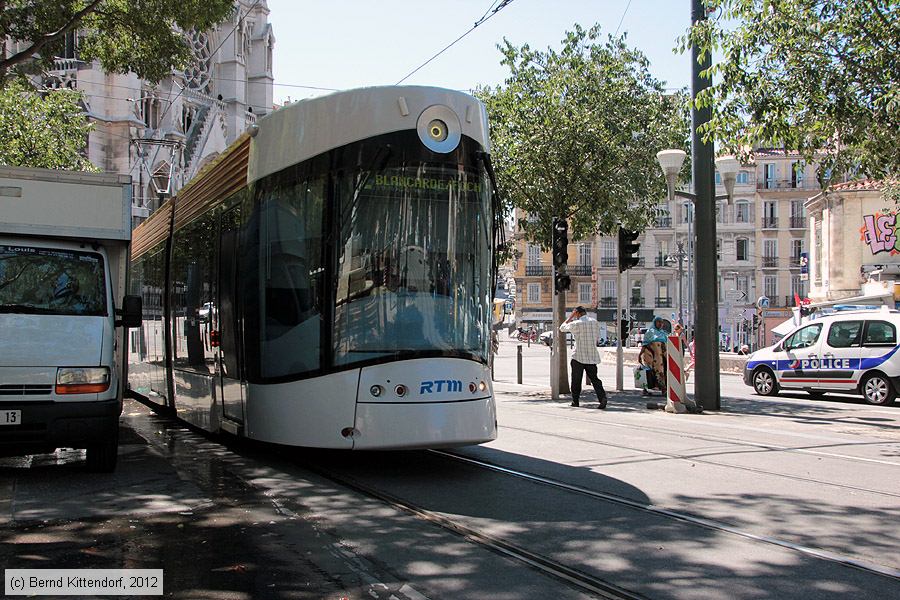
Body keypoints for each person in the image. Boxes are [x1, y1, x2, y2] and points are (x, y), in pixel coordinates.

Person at [560, 306, 607, 408]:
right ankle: (602, 397)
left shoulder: (576, 323)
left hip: (578, 356)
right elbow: (597, 337)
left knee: (576, 380)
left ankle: (575, 401)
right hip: (592, 356)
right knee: (595, 379)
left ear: (577, 313)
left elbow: (562, 328)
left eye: (574, 313)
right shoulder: (594, 322)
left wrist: (570, 317)